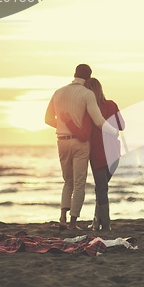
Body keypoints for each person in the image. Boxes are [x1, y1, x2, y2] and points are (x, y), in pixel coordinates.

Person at [44, 64, 118, 231]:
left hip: (61, 140)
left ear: (74, 74)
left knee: (67, 181)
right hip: (80, 142)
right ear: (89, 77)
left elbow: (47, 119)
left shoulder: (58, 92)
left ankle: (62, 218)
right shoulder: (87, 94)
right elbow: (98, 121)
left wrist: (63, 126)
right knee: (79, 183)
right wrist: (113, 131)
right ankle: (72, 223)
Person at [60, 78, 125, 231]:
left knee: (101, 189)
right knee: (102, 188)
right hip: (114, 153)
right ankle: (97, 222)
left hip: (98, 154)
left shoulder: (89, 110)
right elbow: (122, 125)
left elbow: (83, 134)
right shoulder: (112, 104)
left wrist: (68, 122)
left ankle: (105, 224)